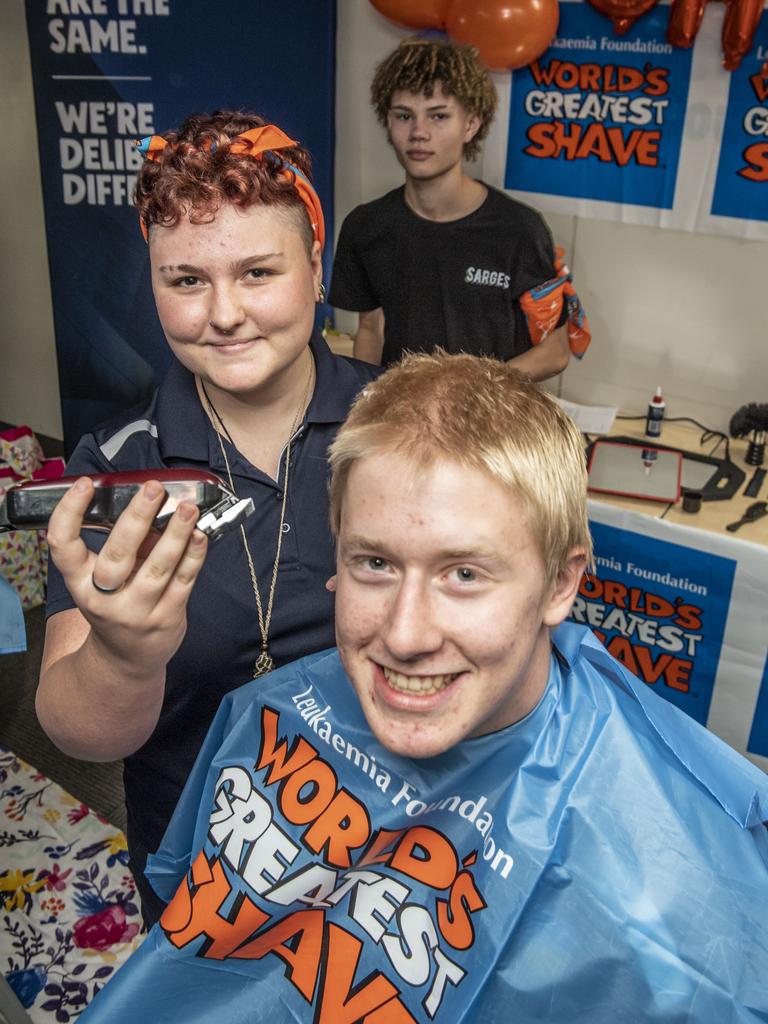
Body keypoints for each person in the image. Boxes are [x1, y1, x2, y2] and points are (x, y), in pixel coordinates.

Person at [78, 352, 767, 1023]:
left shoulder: (668, 892)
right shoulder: (270, 710)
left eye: (464, 574)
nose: (404, 636)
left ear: (561, 582)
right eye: (374, 562)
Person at [37, 110, 378, 928]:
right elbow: (79, 734)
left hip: (394, 863)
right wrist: (123, 654)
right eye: (187, 280)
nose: (223, 313)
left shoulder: (403, 424)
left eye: (258, 272)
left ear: (315, 266)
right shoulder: (121, 471)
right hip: (203, 874)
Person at [329, 37, 590, 377]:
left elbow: (555, 352)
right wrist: (362, 403)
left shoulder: (520, 230)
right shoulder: (366, 226)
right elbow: (370, 329)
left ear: (471, 125)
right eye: (404, 116)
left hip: (491, 420)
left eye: (438, 116)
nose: (419, 132)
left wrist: (475, 390)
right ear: (388, 123)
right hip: (401, 420)